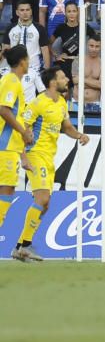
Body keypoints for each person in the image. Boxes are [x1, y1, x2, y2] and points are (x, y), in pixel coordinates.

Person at [9, 66, 88, 261]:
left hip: (49, 157)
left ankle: (19, 247)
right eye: (63, 77)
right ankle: (24, 246)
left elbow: (66, 127)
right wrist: (24, 158)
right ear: (53, 82)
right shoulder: (37, 103)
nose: (67, 80)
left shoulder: (61, 102)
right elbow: (22, 130)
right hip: (35, 154)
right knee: (42, 200)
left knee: (45, 205)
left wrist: (79, 135)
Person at [0, 46, 35, 251]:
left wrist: (23, 155)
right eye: (28, 59)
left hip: (10, 147)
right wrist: (23, 131)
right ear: (23, 61)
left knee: (8, 189)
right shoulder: (11, 81)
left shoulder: (14, 82)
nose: (29, 62)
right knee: (6, 189)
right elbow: (3, 109)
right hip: (4, 147)